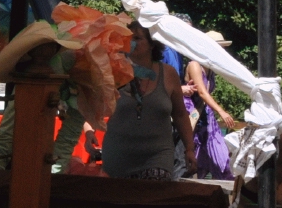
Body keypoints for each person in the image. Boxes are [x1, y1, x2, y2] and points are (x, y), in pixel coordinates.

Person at [100, 26, 196, 181]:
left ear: (152, 44)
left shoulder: (168, 74)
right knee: (119, 203)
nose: (131, 42)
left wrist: (189, 149)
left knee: (152, 201)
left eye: (137, 38)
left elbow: (180, 114)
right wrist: (89, 129)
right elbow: (95, 106)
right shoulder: (113, 72)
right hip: (118, 156)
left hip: (157, 157)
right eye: (128, 38)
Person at [181, 34, 237, 179]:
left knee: (222, 161)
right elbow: (202, 92)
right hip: (192, 114)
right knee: (194, 163)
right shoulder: (195, 65)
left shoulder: (210, 68)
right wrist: (221, 111)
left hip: (206, 117)